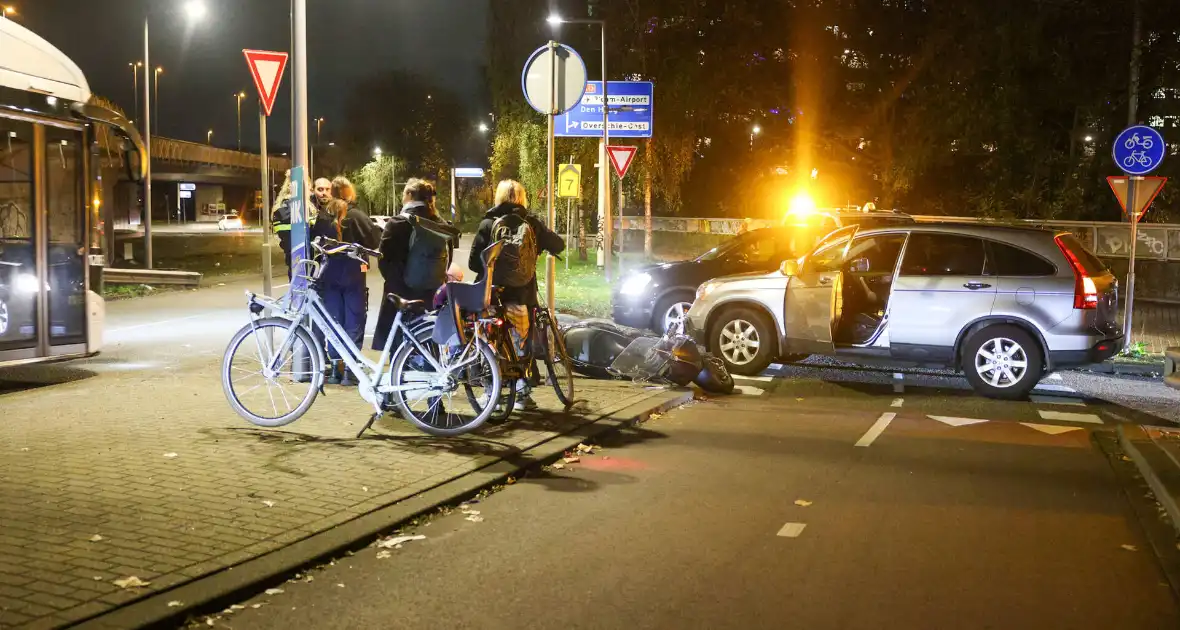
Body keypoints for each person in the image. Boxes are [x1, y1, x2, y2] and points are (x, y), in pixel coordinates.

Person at [469, 179, 565, 410]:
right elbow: (559, 245)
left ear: (499, 197)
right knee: (523, 342)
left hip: (493, 295)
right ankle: (523, 394)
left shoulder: (488, 223)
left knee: (490, 342)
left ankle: (491, 393)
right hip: (523, 296)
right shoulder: (532, 224)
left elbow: (474, 263)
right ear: (522, 199)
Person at [373, 178, 461, 351]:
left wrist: (397, 281)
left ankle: (398, 374)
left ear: (409, 195)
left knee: (398, 344)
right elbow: (447, 259)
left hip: (401, 293)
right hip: (430, 294)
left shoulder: (398, 223)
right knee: (427, 341)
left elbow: (384, 259)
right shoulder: (440, 224)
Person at [316, 187, 379, 385]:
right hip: (353, 272)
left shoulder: (323, 217)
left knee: (334, 319)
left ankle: (335, 368)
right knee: (355, 318)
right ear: (349, 193)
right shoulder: (358, 216)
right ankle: (351, 370)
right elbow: (375, 240)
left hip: (330, 272)